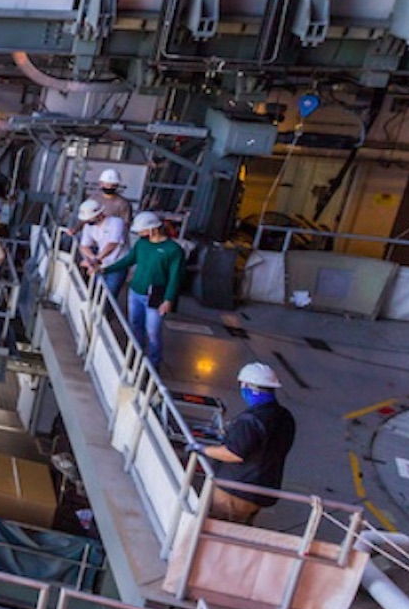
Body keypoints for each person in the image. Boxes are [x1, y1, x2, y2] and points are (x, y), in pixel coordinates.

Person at [186, 362, 295, 524]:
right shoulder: (285, 417)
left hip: (235, 492)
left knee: (217, 530)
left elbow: (234, 453)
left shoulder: (251, 420)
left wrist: (202, 449)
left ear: (247, 386)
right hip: (261, 490)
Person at [100, 211, 186, 370]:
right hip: (135, 291)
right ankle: (135, 357)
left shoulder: (173, 250)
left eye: (142, 230)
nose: (139, 233)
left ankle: (153, 364)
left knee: (153, 332)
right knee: (135, 325)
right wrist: (106, 269)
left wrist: (168, 300)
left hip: (156, 294)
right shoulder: (142, 244)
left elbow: (175, 278)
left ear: (153, 229)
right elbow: (129, 260)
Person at [75, 198, 128, 296]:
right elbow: (84, 246)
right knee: (96, 293)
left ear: (99, 214)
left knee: (109, 296)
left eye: (90, 218)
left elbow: (112, 244)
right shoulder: (88, 226)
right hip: (101, 264)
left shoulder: (116, 222)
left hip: (117, 264)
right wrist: (92, 259)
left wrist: (96, 260)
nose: (88, 221)